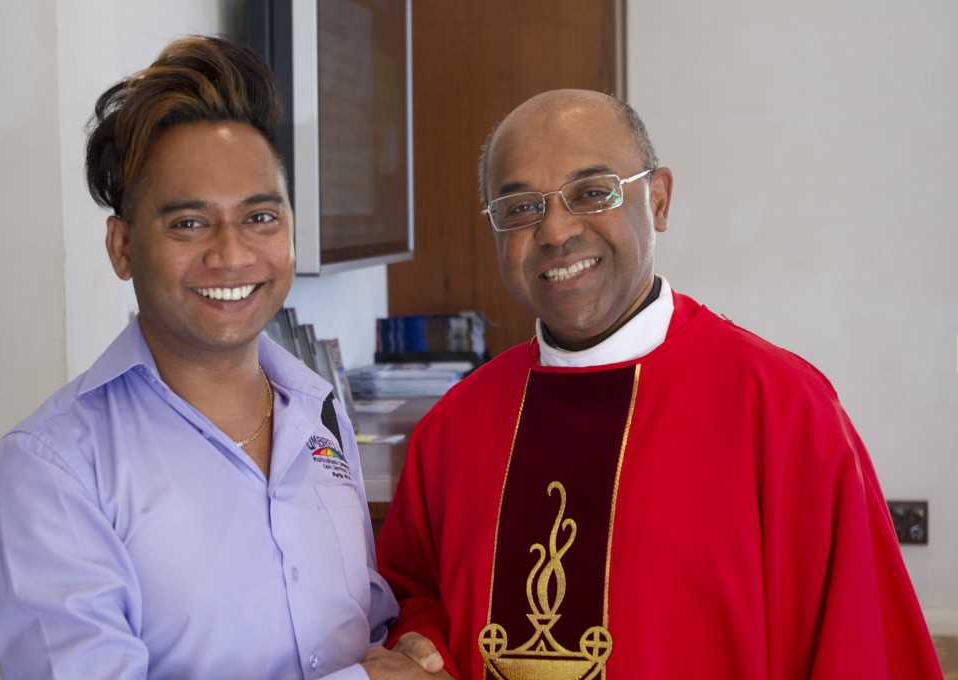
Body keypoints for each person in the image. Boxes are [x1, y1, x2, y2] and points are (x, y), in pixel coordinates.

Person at [375, 89, 944, 679]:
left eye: (593, 193)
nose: (556, 231)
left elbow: (861, 642)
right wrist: (423, 646)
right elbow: (411, 593)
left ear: (660, 200)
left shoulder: (780, 409)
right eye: (520, 207)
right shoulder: (454, 426)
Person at [0, 35, 448, 680]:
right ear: (121, 246)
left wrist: (411, 648)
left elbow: (361, 623)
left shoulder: (318, 414)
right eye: (189, 224)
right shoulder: (50, 472)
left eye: (260, 217)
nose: (231, 256)